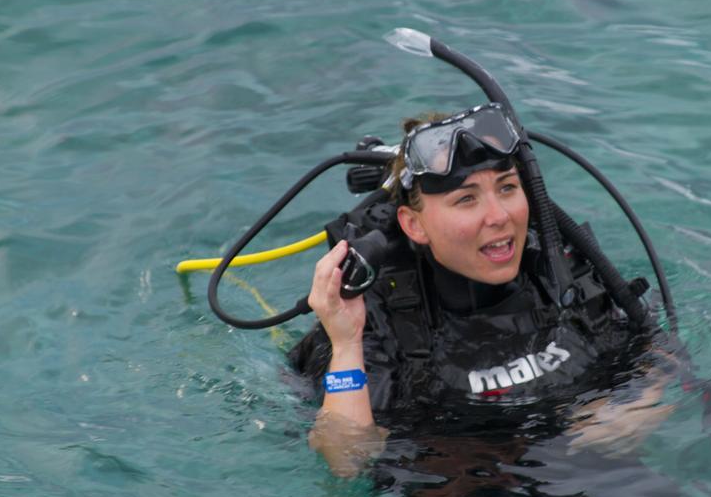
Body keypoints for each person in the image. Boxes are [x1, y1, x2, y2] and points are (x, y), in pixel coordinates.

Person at [288, 103, 684, 475]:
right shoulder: (371, 318)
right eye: (466, 199)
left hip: (586, 467)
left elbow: (658, 356)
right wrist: (345, 342)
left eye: (508, 188)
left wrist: (636, 407)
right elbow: (346, 460)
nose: (499, 216)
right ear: (413, 224)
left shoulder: (558, 273)